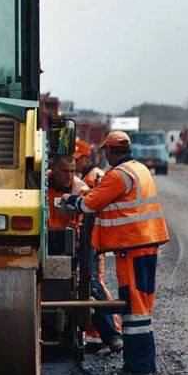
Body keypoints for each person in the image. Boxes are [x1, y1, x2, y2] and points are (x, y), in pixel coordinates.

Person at [62, 130, 168, 375]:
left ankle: (139, 367)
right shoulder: (138, 169)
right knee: (139, 304)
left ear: (110, 151)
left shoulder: (119, 175)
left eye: (105, 151)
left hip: (132, 246)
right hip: (144, 242)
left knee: (135, 308)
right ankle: (140, 365)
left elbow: (89, 204)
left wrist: (69, 199)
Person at [71, 139, 122, 355]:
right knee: (89, 284)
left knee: (94, 284)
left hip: (90, 239)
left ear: (85, 157)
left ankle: (113, 332)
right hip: (83, 238)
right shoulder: (84, 177)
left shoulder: (96, 178)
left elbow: (93, 206)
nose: (73, 166)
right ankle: (97, 335)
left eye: (76, 161)